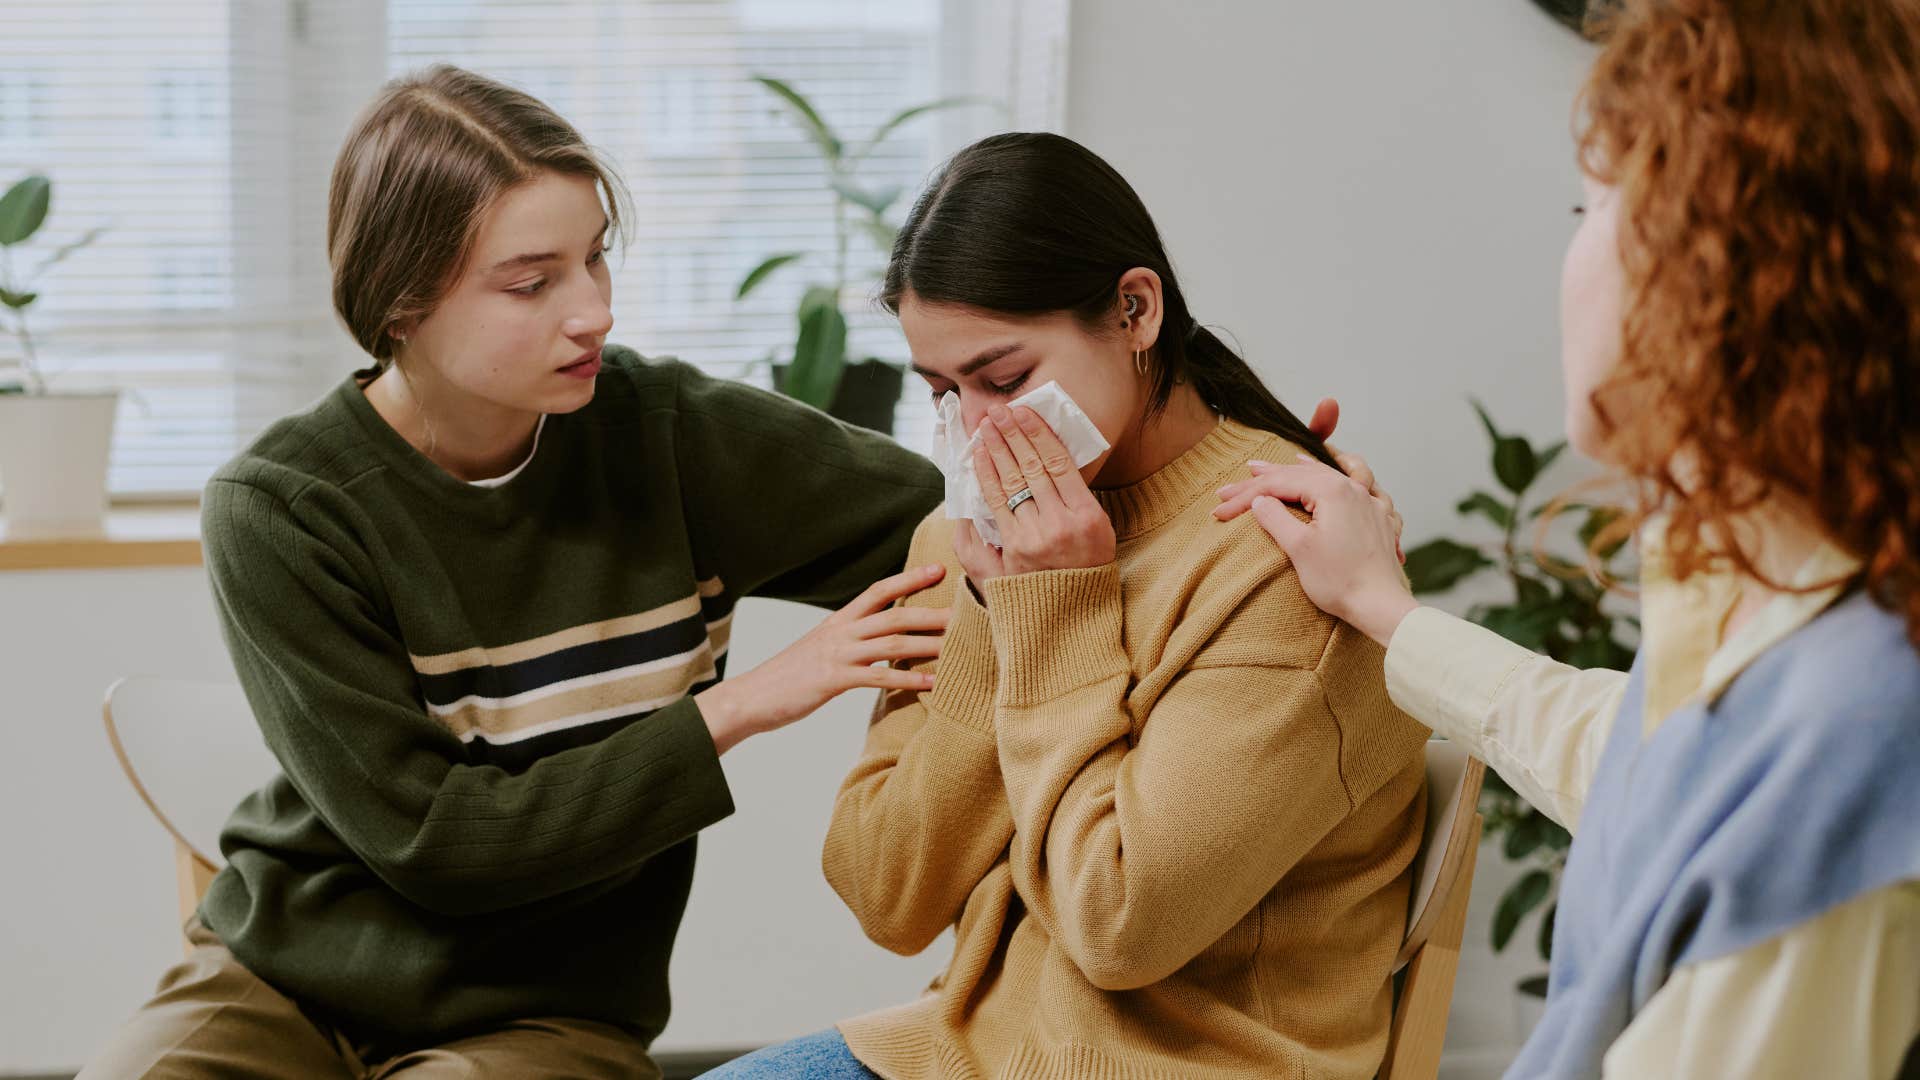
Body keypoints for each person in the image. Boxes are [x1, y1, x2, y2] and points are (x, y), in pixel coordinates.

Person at [81, 65, 959, 1080]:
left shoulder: (672, 438)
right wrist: (745, 703)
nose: (593, 313)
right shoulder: (283, 507)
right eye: (532, 283)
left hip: (551, 1017)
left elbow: (959, 521)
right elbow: (436, 843)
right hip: (283, 985)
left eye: (596, 258)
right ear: (400, 302)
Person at [1216, 2, 1920, 1077]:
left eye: (1590, 206)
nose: (1572, 251)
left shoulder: (1853, 734)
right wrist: (1382, 608)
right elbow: (1651, 778)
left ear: (1724, 260)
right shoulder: (1774, 589)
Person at [705, 132, 1431, 1080]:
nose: (977, 431)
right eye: (943, 392)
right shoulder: (966, 543)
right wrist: (989, 613)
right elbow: (888, 895)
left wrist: (1050, 612)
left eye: (1005, 380)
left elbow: (1118, 925)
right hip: (963, 1049)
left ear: (1136, 310)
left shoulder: (1291, 565)